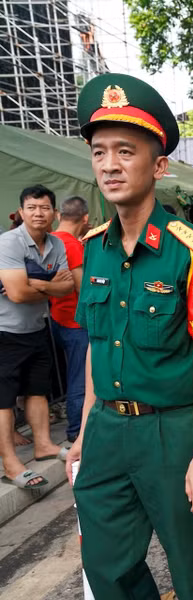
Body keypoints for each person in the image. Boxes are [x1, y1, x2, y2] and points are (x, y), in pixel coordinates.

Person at [62, 72, 193, 600]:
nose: (110, 165)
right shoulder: (93, 249)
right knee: (107, 569)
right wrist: (86, 432)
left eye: (125, 151)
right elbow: (97, 346)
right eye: (99, 152)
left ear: (158, 165)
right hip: (107, 433)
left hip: (172, 434)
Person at [0, 185, 73, 489]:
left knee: (37, 391)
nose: (38, 213)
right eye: (31, 208)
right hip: (6, 331)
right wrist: (47, 284)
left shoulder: (56, 245)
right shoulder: (9, 242)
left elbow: (67, 287)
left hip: (38, 327)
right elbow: (16, 293)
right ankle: (10, 462)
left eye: (44, 208)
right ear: (21, 212)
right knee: (4, 400)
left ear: (54, 213)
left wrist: (36, 283)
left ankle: (43, 445)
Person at [50, 195, 91, 442]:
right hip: (76, 322)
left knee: (71, 378)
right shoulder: (72, 245)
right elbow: (83, 289)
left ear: (58, 215)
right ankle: (77, 433)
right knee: (80, 380)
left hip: (56, 317)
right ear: (85, 218)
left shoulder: (50, 240)